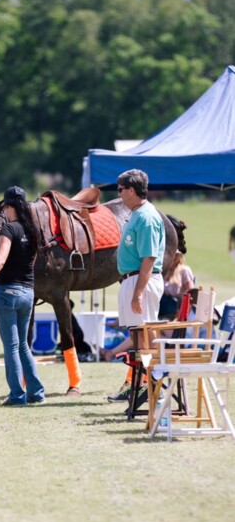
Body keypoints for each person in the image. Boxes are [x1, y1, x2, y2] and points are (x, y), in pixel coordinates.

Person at [0, 186, 45, 406]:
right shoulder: (33, 231)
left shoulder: (8, 229)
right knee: (23, 346)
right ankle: (36, 393)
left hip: (7, 293)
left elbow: (1, 261)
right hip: (27, 292)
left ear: (7, 206)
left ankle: (17, 396)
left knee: (11, 347)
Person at [104, 169, 165, 401]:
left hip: (142, 280)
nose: (118, 194)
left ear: (131, 190)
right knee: (138, 337)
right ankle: (140, 384)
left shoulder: (147, 217)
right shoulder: (137, 214)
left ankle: (154, 387)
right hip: (133, 279)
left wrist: (138, 292)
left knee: (145, 337)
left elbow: (149, 258)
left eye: (120, 189)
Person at [159, 250, 195, 321]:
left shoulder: (184, 270)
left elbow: (192, 295)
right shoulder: (161, 269)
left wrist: (183, 312)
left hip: (177, 314)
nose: (173, 256)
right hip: (161, 311)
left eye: (176, 254)